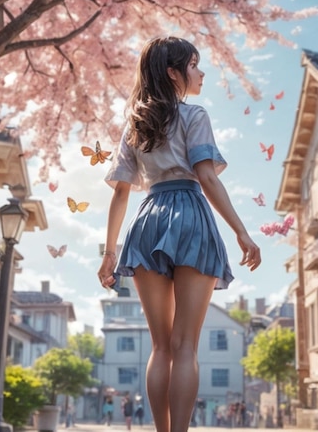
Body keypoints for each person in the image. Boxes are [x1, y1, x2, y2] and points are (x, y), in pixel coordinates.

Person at [98, 37, 261, 432]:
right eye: (194, 65)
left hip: (148, 218)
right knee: (185, 345)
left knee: (160, 347)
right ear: (173, 73)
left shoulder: (135, 125)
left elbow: (121, 192)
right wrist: (242, 231)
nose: (201, 72)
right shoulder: (195, 115)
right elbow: (205, 176)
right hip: (189, 214)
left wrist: (109, 253)